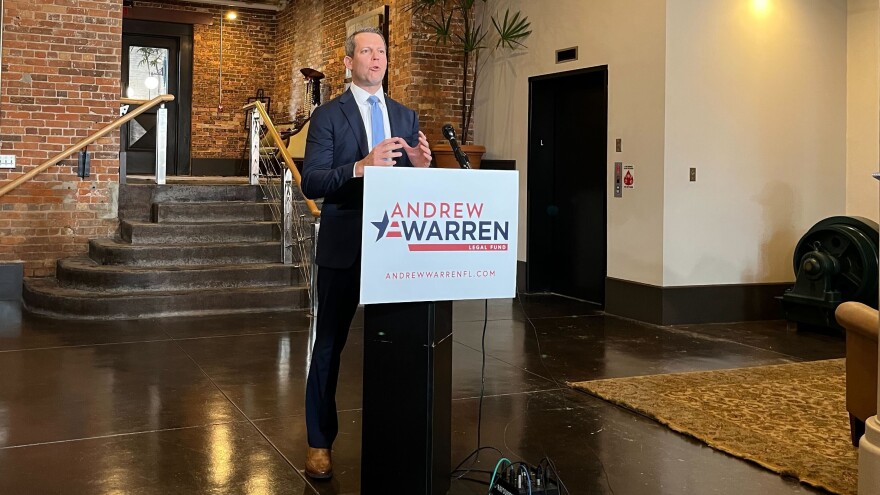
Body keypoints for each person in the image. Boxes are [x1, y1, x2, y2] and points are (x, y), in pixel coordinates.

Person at [300, 26, 432, 480]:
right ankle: (319, 441)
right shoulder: (328, 117)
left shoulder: (406, 115)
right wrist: (360, 166)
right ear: (348, 62)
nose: (376, 59)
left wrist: (421, 169)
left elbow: (415, 194)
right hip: (344, 247)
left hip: (396, 250)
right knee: (329, 347)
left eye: (382, 52)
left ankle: (395, 439)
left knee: (398, 347)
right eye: (367, 52)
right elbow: (312, 182)